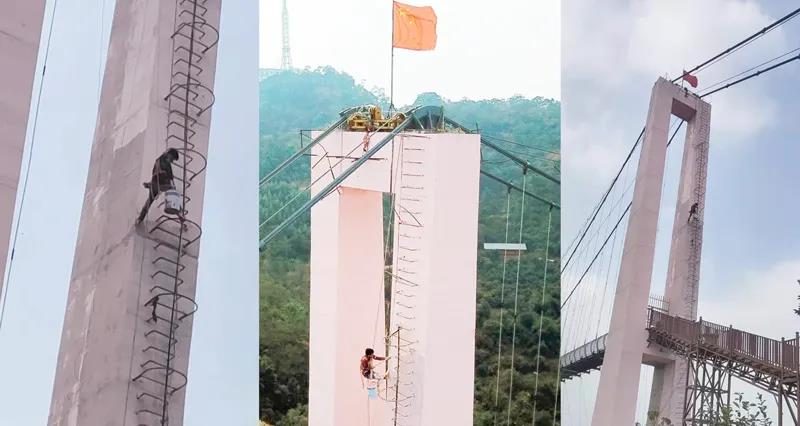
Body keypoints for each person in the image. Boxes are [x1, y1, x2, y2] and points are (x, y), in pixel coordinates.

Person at [136, 148, 180, 224]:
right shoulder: (161, 161)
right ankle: (140, 219)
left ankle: (140, 218)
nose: (172, 160)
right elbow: (159, 172)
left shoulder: (166, 162)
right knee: (170, 193)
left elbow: (170, 176)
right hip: (157, 184)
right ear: (169, 154)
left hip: (159, 184)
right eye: (172, 158)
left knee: (150, 201)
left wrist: (171, 182)